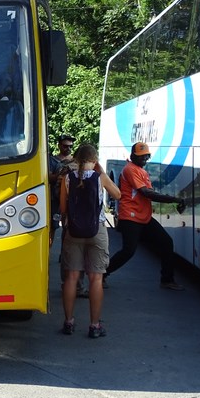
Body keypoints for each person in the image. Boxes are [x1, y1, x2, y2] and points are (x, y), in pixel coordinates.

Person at [59, 143, 120, 338]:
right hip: (97, 231)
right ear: (95, 160)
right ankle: (94, 326)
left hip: (73, 232)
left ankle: (69, 322)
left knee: (71, 277)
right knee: (96, 278)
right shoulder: (100, 177)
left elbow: (62, 208)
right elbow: (118, 195)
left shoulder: (67, 178)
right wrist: (102, 172)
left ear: (76, 159)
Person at [106, 142, 186, 291]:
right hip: (131, 217)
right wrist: (174, 199)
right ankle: (103, 274)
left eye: (146, 157)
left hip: (143, 217)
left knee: (166, 242)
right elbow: (146, 193)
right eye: (141, 157)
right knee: (128, 251)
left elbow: (148, 193)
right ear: (132, 156)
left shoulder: (140, 170)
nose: (144, 160)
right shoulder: (130, 170)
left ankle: (167, 280)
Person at [48, 134, 75, 247]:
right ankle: (47, 252)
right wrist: (60, 174)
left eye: (70, 146)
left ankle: (65, 254)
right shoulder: (52, 160)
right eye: (65, 146)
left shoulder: (75, 160)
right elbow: (48, 177)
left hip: (70, 197)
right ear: (59, 145)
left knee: (68, 226)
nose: (68, 149)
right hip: (55, 198)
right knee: (53, 226)